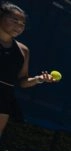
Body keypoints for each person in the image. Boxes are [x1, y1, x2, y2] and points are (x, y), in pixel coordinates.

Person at [0, 2, 57, 141]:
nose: (19, 26)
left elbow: (22, 81)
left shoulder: (23, 51)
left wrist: (39, 79)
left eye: (22, 24)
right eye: (15, 20)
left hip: (3, 98)